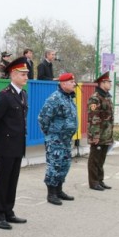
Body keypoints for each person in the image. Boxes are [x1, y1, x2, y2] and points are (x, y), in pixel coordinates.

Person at [0, 57, 29, 230]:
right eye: (23, 74)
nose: (26, 77)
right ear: (13, 74)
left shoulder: (23, 94)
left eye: (26, 74)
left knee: (13, 180)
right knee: (2, 181)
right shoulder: (4, 96)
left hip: (17, 145)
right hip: (5, 146)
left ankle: (9, 211)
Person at [38, 73, 78, 205]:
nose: (74, 84)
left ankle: (59, 190)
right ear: (63, 83)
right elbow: (43, 118)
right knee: (54, 166)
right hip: (55, 138)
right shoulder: (55, 98)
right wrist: (50, 134)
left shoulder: (68, 98)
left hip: (66, 139)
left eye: (74, 82)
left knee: (64, 165)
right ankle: (51, 194)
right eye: (71, 82)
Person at [87, 72, 114, 191]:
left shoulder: (107, 96)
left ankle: (100, 180)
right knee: (94, 159)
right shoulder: (95, 98)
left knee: (101, 158)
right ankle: (93, 182)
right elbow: (94, 118)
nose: (110, 84)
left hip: (106, 134)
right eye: (108, 82)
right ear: (102, 83)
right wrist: (95, 135)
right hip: (98, 134)